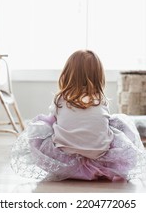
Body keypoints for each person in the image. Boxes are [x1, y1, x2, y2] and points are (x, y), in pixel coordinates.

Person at [11, 50, 146, 181]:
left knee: (46, 123)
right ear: (98, 76)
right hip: (99, 157)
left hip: (64, 157)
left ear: (67, 73)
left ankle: (74, 167)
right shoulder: (100, 99)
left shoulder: (60, 98)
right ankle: (93, 166)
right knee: (118, 122)